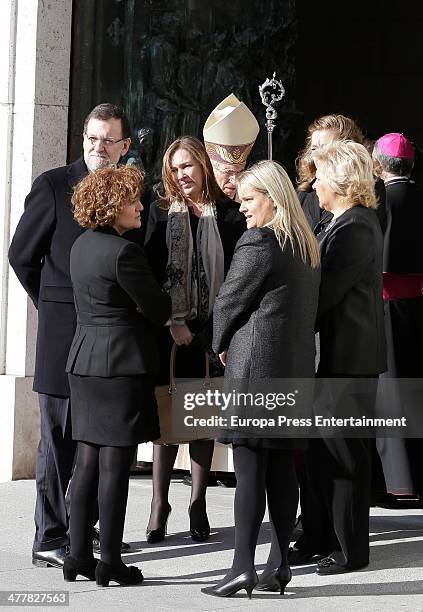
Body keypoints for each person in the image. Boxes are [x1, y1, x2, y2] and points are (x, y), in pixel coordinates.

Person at [8, 103, 134, 568]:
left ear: (124, 146)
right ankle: (50, 536)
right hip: (63, 336)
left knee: (95, 439)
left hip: (107, 343)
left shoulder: (127, 190)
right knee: (57, 441)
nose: (98, 147)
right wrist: (54, 303)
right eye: (92, 138)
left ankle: (84, 530)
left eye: (108, 140)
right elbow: (22, 256)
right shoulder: (53, 185)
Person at [202, 160, 320, 598]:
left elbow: (229, 302)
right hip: (292, 372)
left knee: (250, 472)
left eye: (249, 199)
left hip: (255, 371)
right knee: (281, 472)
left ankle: (240, 569)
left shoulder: (259, 242)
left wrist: (217, 342)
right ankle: (279, 565)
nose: (242, 207)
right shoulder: (306, 244)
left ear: (272, 197)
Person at [63, 165, 171, 586]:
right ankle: (109, 560)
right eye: (132, 200)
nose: (140, 206)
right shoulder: (125, 253)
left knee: (86, 460)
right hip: (120, 366)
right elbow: (159, 310)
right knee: (114, 466)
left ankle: (76, 556)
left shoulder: (80, 246)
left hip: (83, 363)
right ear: (111, 207)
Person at [290, 141, 386, 575]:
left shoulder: (356, 228)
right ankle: (317, 535)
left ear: (342, 183)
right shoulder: (341, 222)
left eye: (322, 176)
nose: (315, 183)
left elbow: (324, 294)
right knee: (318, 454)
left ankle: (350, 549)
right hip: (332, 359)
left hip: (349, 360)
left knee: (345, 457)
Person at [144, 135, 246, 544]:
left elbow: (238, 278)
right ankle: (158, 503)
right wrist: (173, 321)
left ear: (204, 166)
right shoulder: (159, 213)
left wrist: (210, 331)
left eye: (187, 165)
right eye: (173, 167)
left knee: (202, 417)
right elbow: (150, 277)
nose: (180, 174)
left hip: (212, 332)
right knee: (167, 422)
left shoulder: (228, 215)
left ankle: (198, 501)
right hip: (168, 334)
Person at [372, 133, 423, 498]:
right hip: (418, 308)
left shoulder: (378, 202)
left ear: (378, 164)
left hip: (385, 308)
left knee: (389, 393)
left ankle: (396, 481)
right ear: (412, 163)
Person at [296, 114, 367, 230]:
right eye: (314, 149)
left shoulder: (364, 188)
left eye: (325, 148)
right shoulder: (304, 191)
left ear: (347, 150)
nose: (318, 155)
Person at [203, 93, 259, 200]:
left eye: (240, 172)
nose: (235, 180)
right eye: (228, 172)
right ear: (210, 168)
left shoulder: (246, 208)